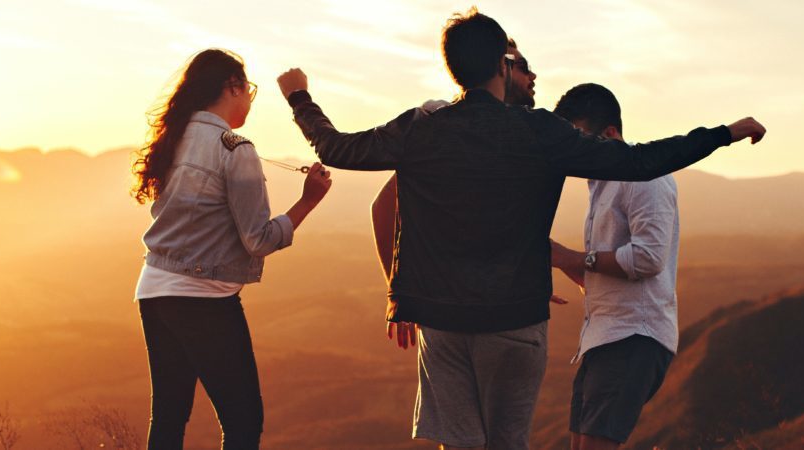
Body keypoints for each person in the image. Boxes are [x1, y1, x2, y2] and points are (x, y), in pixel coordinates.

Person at [277, 8, 766, 449]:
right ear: (502, 66)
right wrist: (723, 134)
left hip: (441, 321)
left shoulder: (421, 128)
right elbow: (641, 161)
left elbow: (337, 149)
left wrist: (300, 98)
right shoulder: (541, 132)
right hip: (514, 319)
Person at [130, 48, 332, 450]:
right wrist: (308, 201)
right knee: (243, 422)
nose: (249, 100)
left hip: (153, 290)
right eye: (249, 90)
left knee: (169, 416)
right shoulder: (235, 149)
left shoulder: (174, 138)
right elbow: (257, 240)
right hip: (204, 299)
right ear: (232, 87)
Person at [371, 37, 555, 350]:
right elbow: (384, 207)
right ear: (501, 68)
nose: (533, 76)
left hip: (487, 316)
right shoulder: (441, 122)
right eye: (524, 67)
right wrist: (399, 293)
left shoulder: (517, 136)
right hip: (450, 319)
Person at [549, 83, 679, 450]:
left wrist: (572, 258)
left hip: (633, 337)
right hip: (603, 337)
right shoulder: (601, 185)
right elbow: (608, 274)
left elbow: (648, 258)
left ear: (609, 134)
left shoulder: (645, 177)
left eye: (579, 139)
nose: (573, 152)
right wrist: (563, 262)